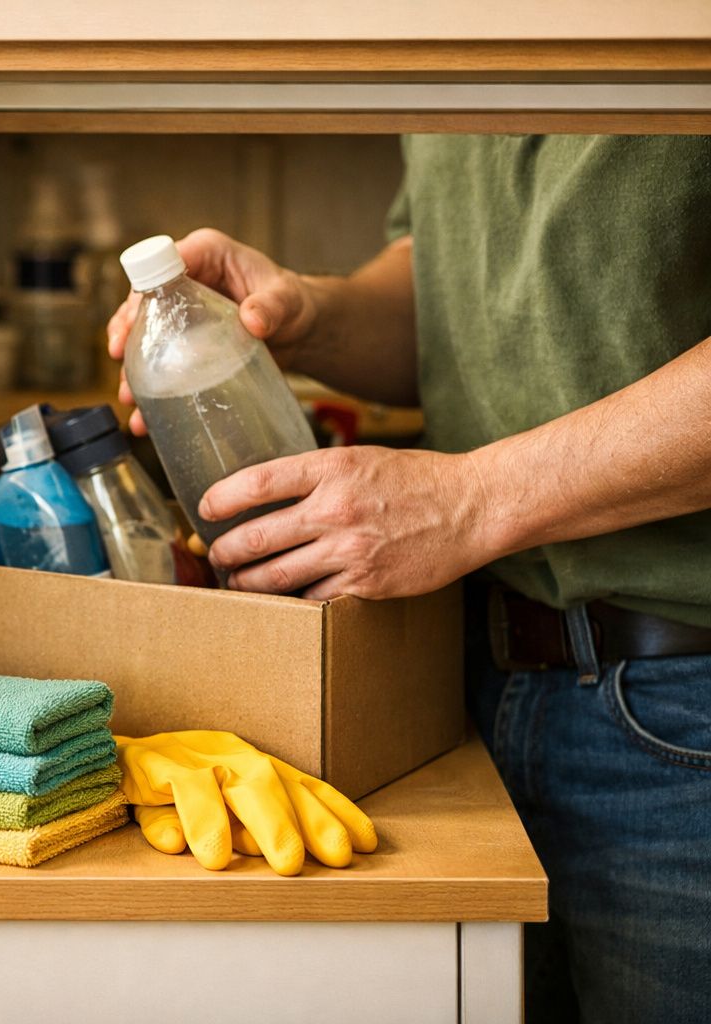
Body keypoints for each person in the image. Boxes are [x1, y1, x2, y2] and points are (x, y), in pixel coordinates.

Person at [106, 135, 711, 1024]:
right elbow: (463, 293)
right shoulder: (455, 31)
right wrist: (310, 313)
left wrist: (471, 501)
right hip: (470, 692)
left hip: (684, 706)